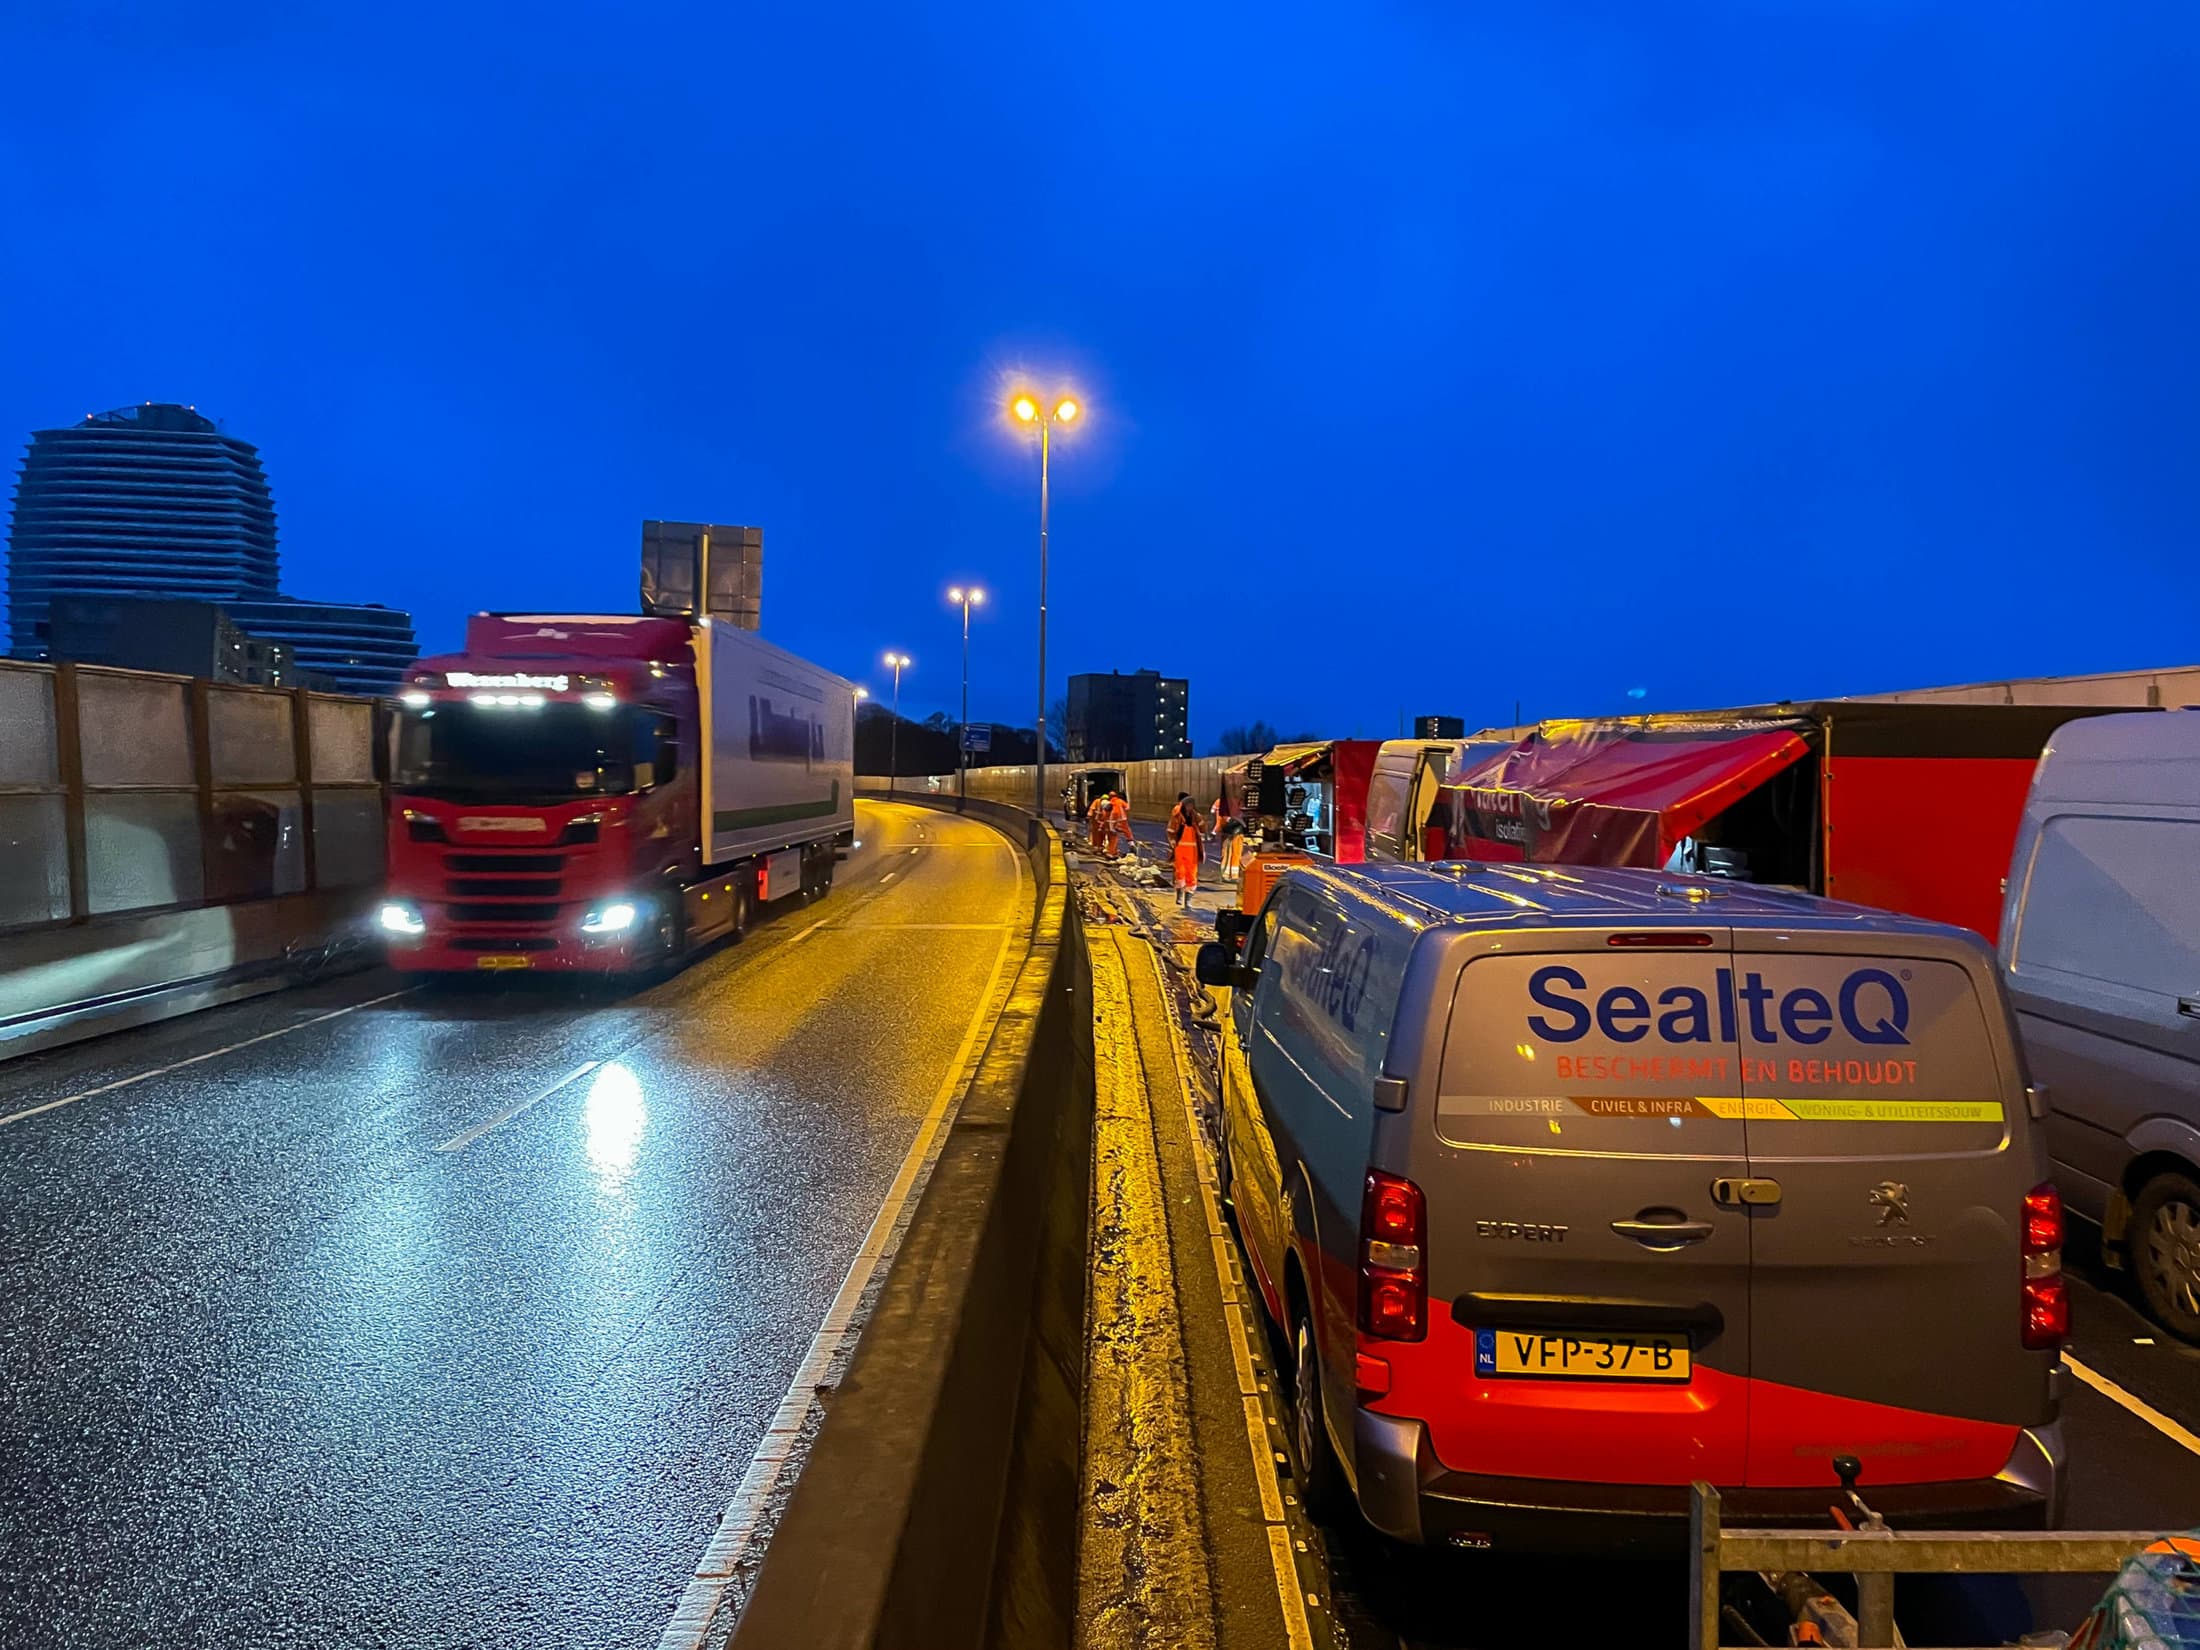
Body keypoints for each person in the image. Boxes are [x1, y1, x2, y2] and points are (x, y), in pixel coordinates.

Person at [1169, 792, 1204, 909]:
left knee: (1192, 874)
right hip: (1181, 848)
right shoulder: (1178, 816)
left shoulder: (1195, 816)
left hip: (1192, 850)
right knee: (1180, 872)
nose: (1190, 807)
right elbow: (1171, 830)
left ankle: (1187, 900)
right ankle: (1179, 895)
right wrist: (1173, 843)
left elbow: (1203, 828)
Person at [1109, 791, 1132, 859]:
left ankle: (1113, 851)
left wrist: (1111, 828)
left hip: (1114, 820)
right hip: (1123, 818)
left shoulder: (1111, 802)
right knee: (1127, 831)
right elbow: (1127, 808)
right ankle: (1131, 843)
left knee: (1114, 836)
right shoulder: (1121, 801)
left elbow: (1108, 811)